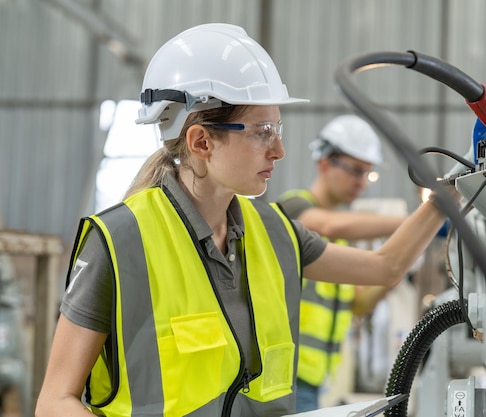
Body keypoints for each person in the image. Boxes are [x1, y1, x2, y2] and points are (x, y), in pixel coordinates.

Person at [35, 23, 451, 417]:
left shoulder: (274, 231)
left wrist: (450, 195)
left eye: (278, 128)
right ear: (201, 141)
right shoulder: (121, 241)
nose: (279, 150)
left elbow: (385, 267)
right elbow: (55, 400)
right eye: (262, 131)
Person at [277, 114, 409, 412]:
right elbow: (331, 225)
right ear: (325, 163)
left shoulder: (338, 239)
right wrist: (413, 223)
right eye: (355, 171)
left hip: (315, 379)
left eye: (368, 173)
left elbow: (359, 304)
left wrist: (397, 267)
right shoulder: (293, 209)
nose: (362, 182)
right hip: (286, 375)